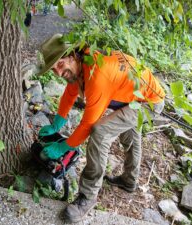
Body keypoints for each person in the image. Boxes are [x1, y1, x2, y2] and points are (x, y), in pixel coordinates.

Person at [36, 33, 165, 223]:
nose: (58, 72)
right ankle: (129, 181)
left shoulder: (97, 75)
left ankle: (88, 196)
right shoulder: (83, 62)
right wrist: (58, 121)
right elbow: (70, 91)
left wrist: (64, 146)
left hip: (150, 102)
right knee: (130, 135)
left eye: (60, 64)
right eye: (53, 69)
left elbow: (88, 124)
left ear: (72, 55)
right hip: (132, 96)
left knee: (100, 131)